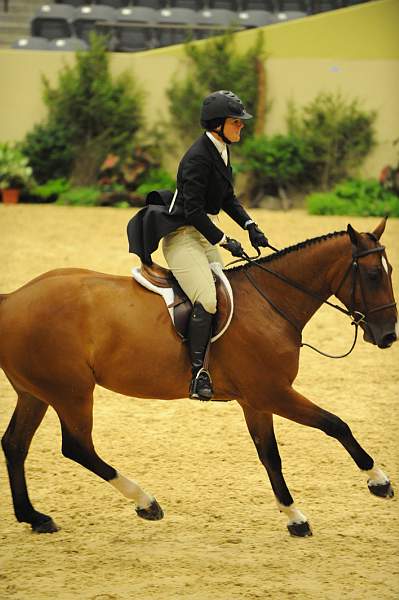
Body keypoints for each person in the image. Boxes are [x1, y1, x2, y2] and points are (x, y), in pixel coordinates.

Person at [127, 90, 269, 401]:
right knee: (206, 298)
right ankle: (197, 374)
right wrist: (224, 241)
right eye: (236, 122)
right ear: (218, 124)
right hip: (183, 236)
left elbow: (227, 198)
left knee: (228, 292)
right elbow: (191, 212)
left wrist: (250, 226)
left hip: (206, 232)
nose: (241, 127)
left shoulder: (221, 149)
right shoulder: (196, 158)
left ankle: (222, 362)